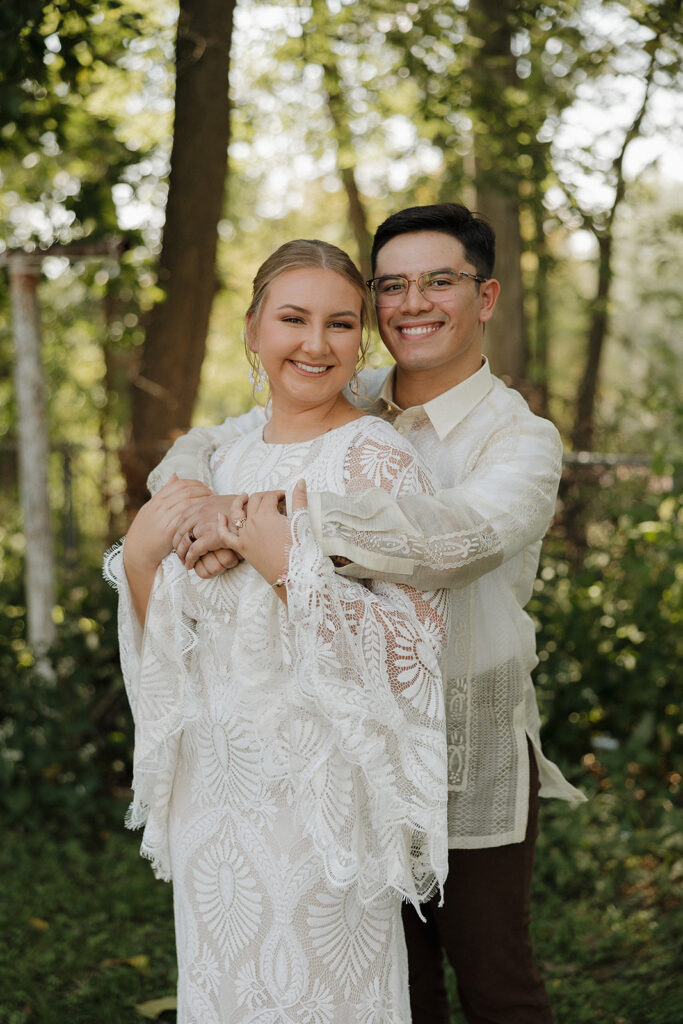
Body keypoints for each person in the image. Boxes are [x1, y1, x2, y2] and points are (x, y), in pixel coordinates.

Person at [151, 203, 587, 1024]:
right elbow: (207, 444)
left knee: (495, 981)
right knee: (391, 978)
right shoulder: (346, 392)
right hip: (348, 745)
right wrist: (193, 504)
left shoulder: (520, 439)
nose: (412, 302)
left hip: (464, 739)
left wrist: (262, 518)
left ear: (485, 297)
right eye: (392, 285)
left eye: (439, 281)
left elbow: (459, 538)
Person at [105, 239, 451, 1023]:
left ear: (358, 339)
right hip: (216, 796)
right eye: (293, 318)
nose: (314, 343)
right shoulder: (219, 458)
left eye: (339, 324)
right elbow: (169, 629)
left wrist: (286, 566)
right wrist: (143, 559)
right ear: (253, 328)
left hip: (319, 801)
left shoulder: (376, 460)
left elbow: (415, 649)